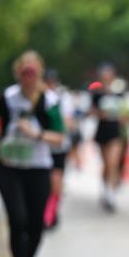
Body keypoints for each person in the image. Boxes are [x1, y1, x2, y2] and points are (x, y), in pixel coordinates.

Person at [0, 51, 65, 257]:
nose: (28, 77)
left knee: (36, 225)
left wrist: (36, 134)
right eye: (24, 72)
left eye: (33, 72)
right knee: (18, 220)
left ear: (39, 73)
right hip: (9, 167)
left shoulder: (48, 101)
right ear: (17, 72)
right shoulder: (7, 97)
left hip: (38, 169)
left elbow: (59, 138)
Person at [90, 63, 128, 212]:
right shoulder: (96, 93)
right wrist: (101, 114)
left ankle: (112, 194)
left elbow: (126, 110)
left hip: (116, 132)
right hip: (102, 131)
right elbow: (92, 111)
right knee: (106, 164)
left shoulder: (119, 92)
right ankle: (105, 189)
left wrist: (124, 117)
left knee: (113, 162)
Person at [43, 69, 75, 229]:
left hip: (58, 147)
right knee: (44, 183)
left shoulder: (63, 98)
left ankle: (50, 214)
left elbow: (69, 122)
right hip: (41, 146)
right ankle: (44, 212)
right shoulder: (38, 97)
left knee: (56, 183)